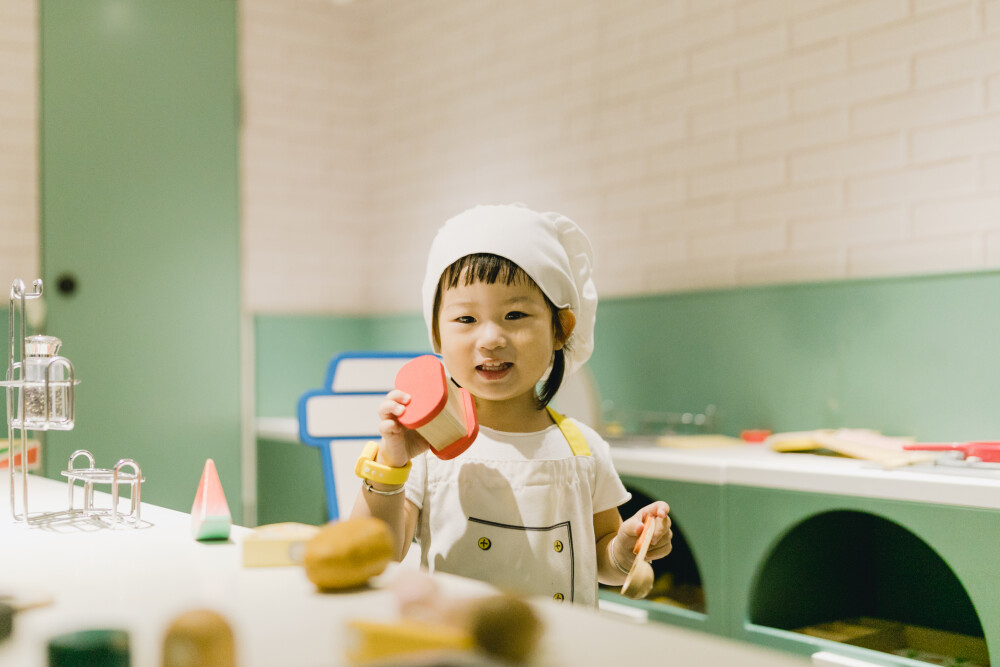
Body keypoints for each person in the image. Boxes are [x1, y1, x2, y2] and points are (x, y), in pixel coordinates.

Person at [351, 204, 671, 606]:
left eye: (515, 314)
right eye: (466, 319)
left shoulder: (584, 449)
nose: (490, 338)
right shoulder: (429, 449)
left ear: (561, 329)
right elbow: (377, 554)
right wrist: (391, 465)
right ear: (436, 334)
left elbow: (599, 555)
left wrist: (624, 551)